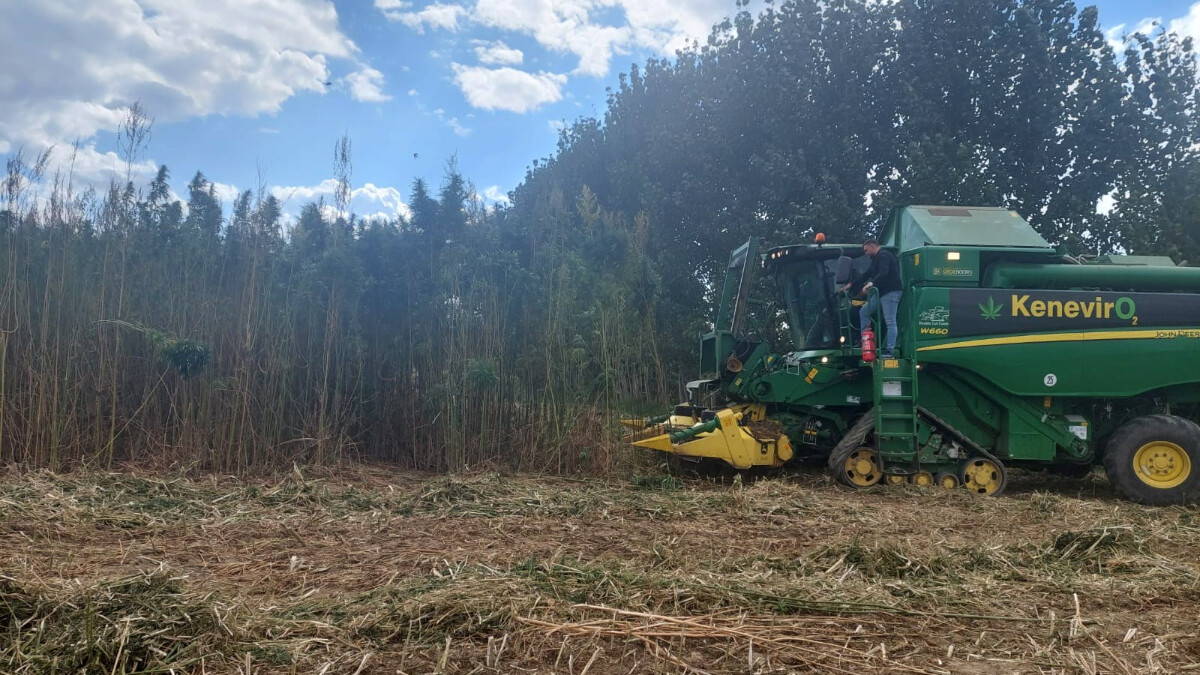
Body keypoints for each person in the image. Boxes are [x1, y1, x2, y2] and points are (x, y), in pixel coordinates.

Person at [840, 239, 902, 358]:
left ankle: (890, 351)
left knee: (890, 321)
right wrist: (850, 285)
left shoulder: (885, 256)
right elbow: (866, 275)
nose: (866, 253)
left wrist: (872, 284)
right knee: (864, 311)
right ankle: (867, 344)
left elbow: (884, 272)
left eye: (866, 250)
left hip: (891, 292)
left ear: (872, 246)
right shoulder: (875, 260)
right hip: (880, 293)